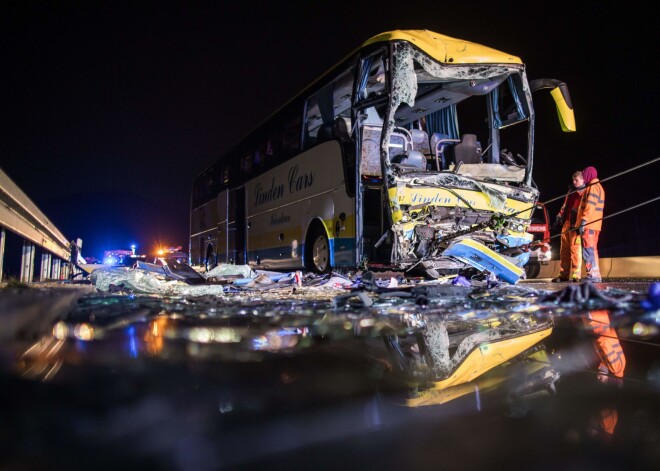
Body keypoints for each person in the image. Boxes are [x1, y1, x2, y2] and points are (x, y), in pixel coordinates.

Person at [552, 171, 585, 282]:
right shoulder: (570, 191)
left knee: (575, 250)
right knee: (564, 251)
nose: (574, 182)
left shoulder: (584, 192)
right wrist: (558, 218)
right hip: (566, 223)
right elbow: (564, 207)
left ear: (583, 180)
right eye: (573, 180)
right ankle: (564, 275)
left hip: (575, 225)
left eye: (576, 180)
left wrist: (581, 225)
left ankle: (576, 275)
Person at [576, 166, 605, 282]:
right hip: (594, 224)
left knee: (588, 249)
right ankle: (595, 274)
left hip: (589, 224)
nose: (584, 176)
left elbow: (590, 206)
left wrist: (583, 221)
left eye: (585, 174)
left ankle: (593, 275)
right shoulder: (598, 187)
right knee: (592, 250)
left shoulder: (592, 187)